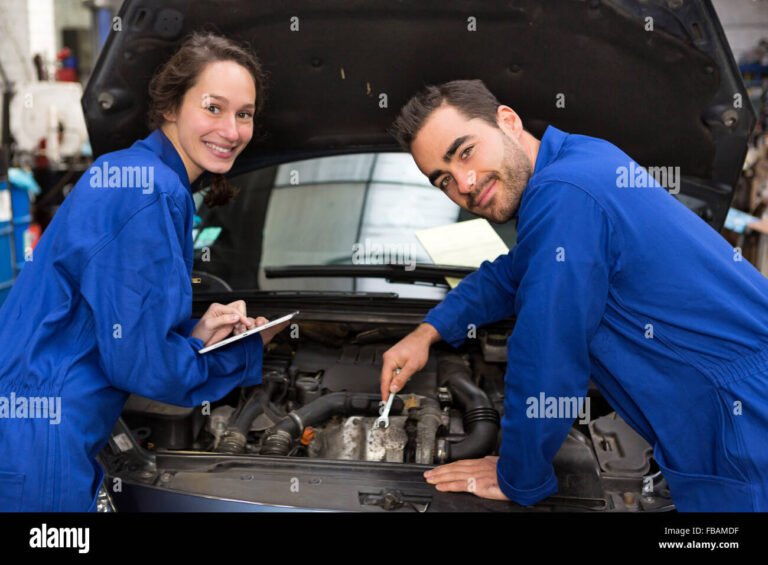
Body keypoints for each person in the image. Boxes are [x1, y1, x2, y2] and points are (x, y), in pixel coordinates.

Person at [380, 79, 768, 511]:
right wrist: (430, 329)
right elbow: (513, 273)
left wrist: (517, 475)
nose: (465, 184)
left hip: (743, 422)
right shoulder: (579, 158)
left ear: (507, 121)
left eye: (466, 151)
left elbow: (547, 353)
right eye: (444, 180)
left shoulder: (564, 193)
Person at [0, 32, 286, 511]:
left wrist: (194, 337)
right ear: (171, 106)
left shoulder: (139, 174)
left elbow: (110, 325)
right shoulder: (147, 190)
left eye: (244, 114)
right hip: (42, 444)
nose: (232, 130)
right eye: (213, 108)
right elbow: (139, 364)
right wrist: (245, 353)